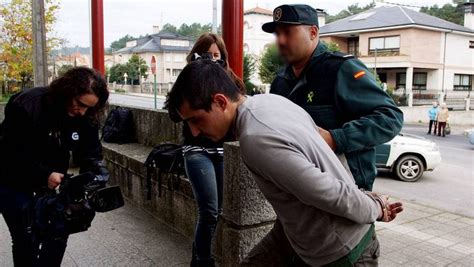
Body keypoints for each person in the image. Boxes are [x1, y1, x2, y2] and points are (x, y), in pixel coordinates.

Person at [166, 60, 403, 266]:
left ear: (220, 102)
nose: (194, 132)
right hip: (296, 234)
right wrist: (366, 198)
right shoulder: (272, 102)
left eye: (196, 120)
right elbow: (326, 152)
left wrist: (375, 209)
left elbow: (326, 192)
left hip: (340, 251)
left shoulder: (255, 138)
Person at [264, 4, 404, 191]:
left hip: (345, 192)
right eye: (277, 33)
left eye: (288, 32)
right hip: (296, 191)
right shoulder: (280, 82)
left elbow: (390, 118)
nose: (280, 40)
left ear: (313, 32)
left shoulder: (340, 69)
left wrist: (335, 138)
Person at [0, 67, 109, 266]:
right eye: (79, 104)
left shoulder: (86, 115)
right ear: (67, 91)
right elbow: (8, 153)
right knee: (26, 238)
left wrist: (95, 175)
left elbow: (90, 152)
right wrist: (44, 175)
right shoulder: (27, 104)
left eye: (89, 108)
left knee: (59, 233)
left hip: (53, 183)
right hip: (12, 180)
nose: (82, 111)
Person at [181, 33, 244, 267]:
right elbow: (173, 112)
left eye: (217, 55)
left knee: (217, 210)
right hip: (197, 151)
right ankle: (203, 261)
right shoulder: (188, 79)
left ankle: (197, 257)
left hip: (222, 152)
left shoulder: (230, 81)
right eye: (206, 55)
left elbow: (242, 105)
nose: (212, 60)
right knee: (208, 210)